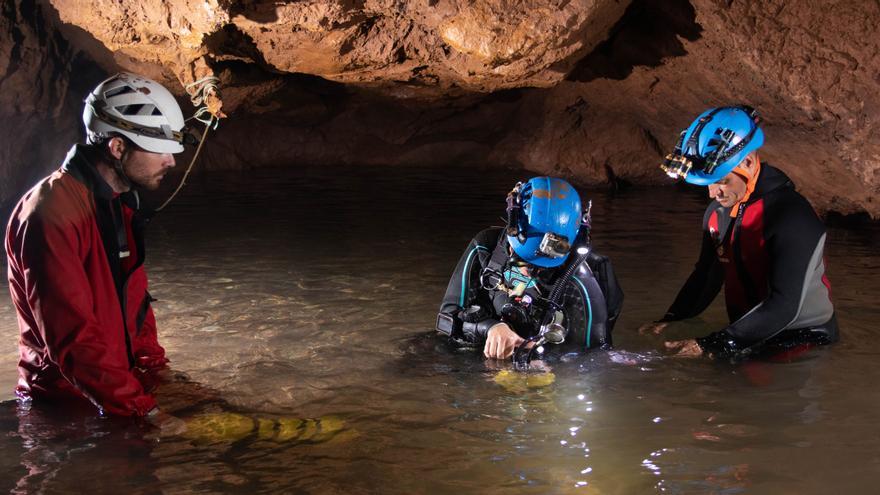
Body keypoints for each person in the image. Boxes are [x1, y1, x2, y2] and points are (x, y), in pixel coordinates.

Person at [5, 73, 195, 417]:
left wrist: (161, 378)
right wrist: (145, 413)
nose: (171, 162)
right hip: (68, 407)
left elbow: (135, 312)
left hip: (118, 392)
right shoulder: (49, 214)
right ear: (117, 147)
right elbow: (73, 342)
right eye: (161, 150)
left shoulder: (117, 204)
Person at [642, 105, 838, 359]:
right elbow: (707, 275)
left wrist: (713, 344)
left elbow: (785, 305)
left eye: (721, 181)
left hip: (805, 339)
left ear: (746, 161)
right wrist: (672, 319)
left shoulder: (792, 215)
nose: (713, 194)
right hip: (747, 333)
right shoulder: (717, 213)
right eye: (708, 185)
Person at [437, 177, 623, 361]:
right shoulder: (486, 247)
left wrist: (544, 361)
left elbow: (596, 356)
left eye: (540, 268)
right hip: (479, 350)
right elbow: (446, 319)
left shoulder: (579, 280)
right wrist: (492, 328)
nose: (529, 272)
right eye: (522, 260)